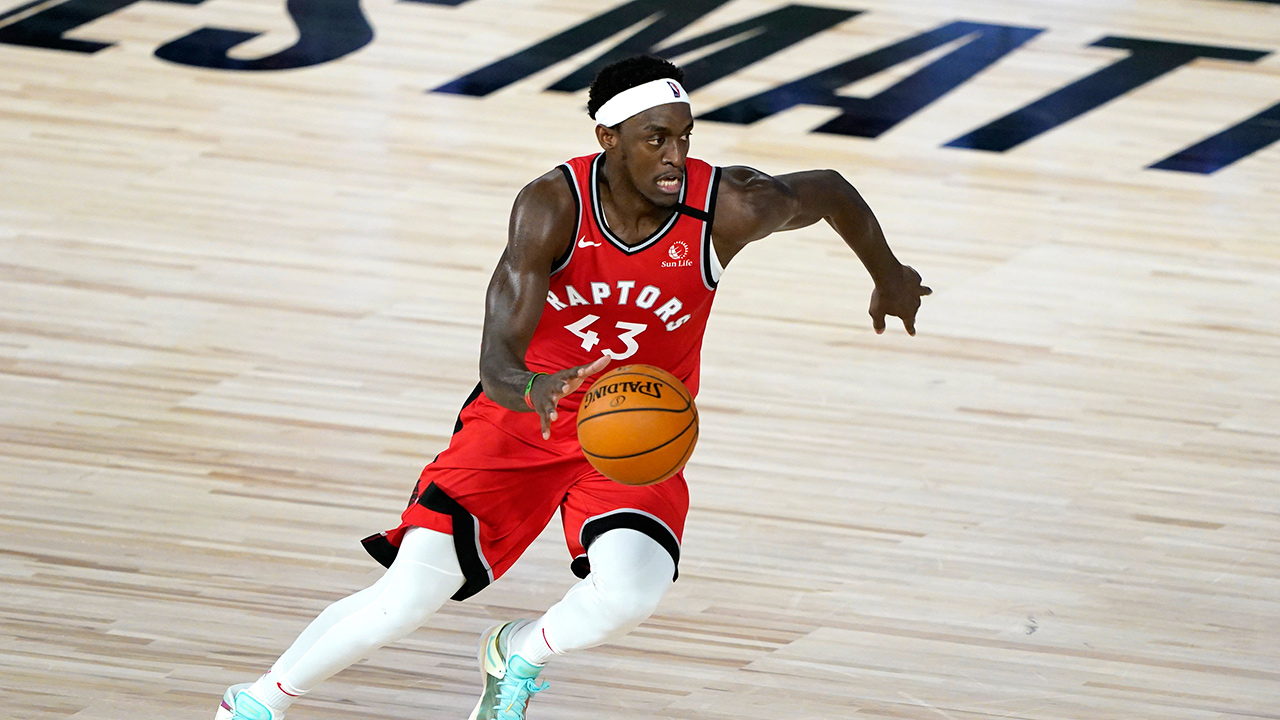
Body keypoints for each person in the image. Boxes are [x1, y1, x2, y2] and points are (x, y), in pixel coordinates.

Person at [215, 54, 930, 720]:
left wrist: (888, 274)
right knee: (405, 596)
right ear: (608, 136)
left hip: (633, 435)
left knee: (630, 593)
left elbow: (831, 189)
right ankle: (256, 701)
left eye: (685, 136)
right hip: (521, 419)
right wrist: (531, 387)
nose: (676, 157)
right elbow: (495, 355)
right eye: (656, 139)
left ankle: (517, 654)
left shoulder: (729, 207)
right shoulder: (551, 206)